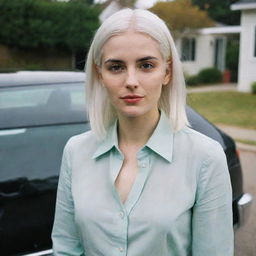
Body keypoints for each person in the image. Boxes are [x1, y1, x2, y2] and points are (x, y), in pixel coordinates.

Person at [52, 8, 234, 256]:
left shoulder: (205, 157)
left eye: (146, 65)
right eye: (116, 67)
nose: (131, 81)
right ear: (100, 75)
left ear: (167, 72)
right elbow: (65, 248)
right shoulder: (76, 151)